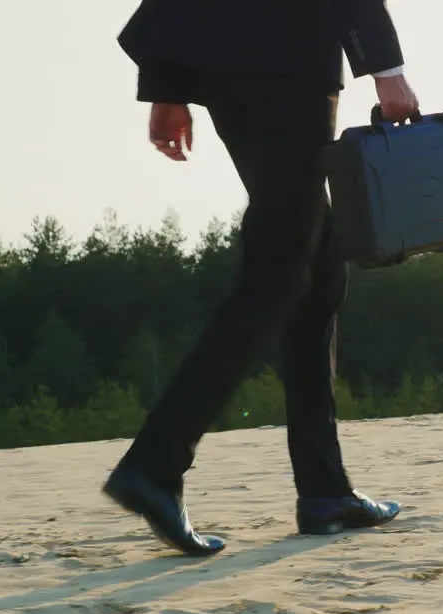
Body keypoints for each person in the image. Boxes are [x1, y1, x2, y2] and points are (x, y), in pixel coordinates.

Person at [103, 0, 421, 556]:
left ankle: (325, 491)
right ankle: (155, 464)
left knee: (318, 272)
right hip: (288, 64)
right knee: (280, 271)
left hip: (220, 62)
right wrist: (386, 71)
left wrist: (166, 88)